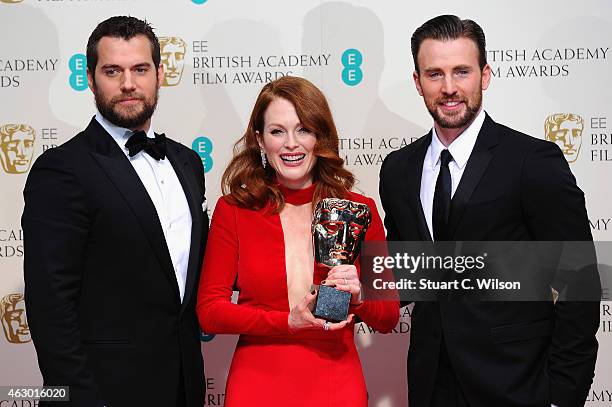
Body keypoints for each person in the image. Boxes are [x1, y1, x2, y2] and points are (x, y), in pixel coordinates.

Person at [379, 15, 599, 407]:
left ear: (485, 75)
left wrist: (562, 394)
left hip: (516, 384)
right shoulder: (398, 169)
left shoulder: (532, 161)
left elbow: (579, 282)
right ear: (418, 82)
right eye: (435, 74)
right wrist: (349, 284)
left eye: (461, 72)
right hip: (431, 384)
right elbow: (409, 272)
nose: (449, 88)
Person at [22, 16, 208, 407]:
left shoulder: (187, 163)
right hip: (103, 393)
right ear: (90, 79)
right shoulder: (63, 169)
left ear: (159, 74)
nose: (128, 83)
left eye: (140, 69)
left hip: (184, 386)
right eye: (112, 71)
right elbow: (50, 305)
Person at [197, 76, 399, 406]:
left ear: (319, 135)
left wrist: (360, 297)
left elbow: (389, 316)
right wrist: (286, 321)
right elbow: (209, 312)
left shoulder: (361, 211)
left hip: (337, 382)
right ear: (261, 140)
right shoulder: (233, 211)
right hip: (257, 385)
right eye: (278, 131)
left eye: (303, 129)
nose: (292, 143)